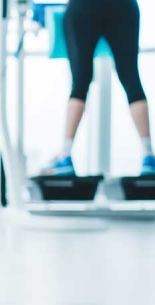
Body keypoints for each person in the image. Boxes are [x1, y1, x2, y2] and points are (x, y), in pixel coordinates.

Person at [43, 0, 153, 176]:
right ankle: (148, 155)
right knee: (130, 77)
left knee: (80, 82)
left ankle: (65, 154)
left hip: (84, 6)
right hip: (123, 6)